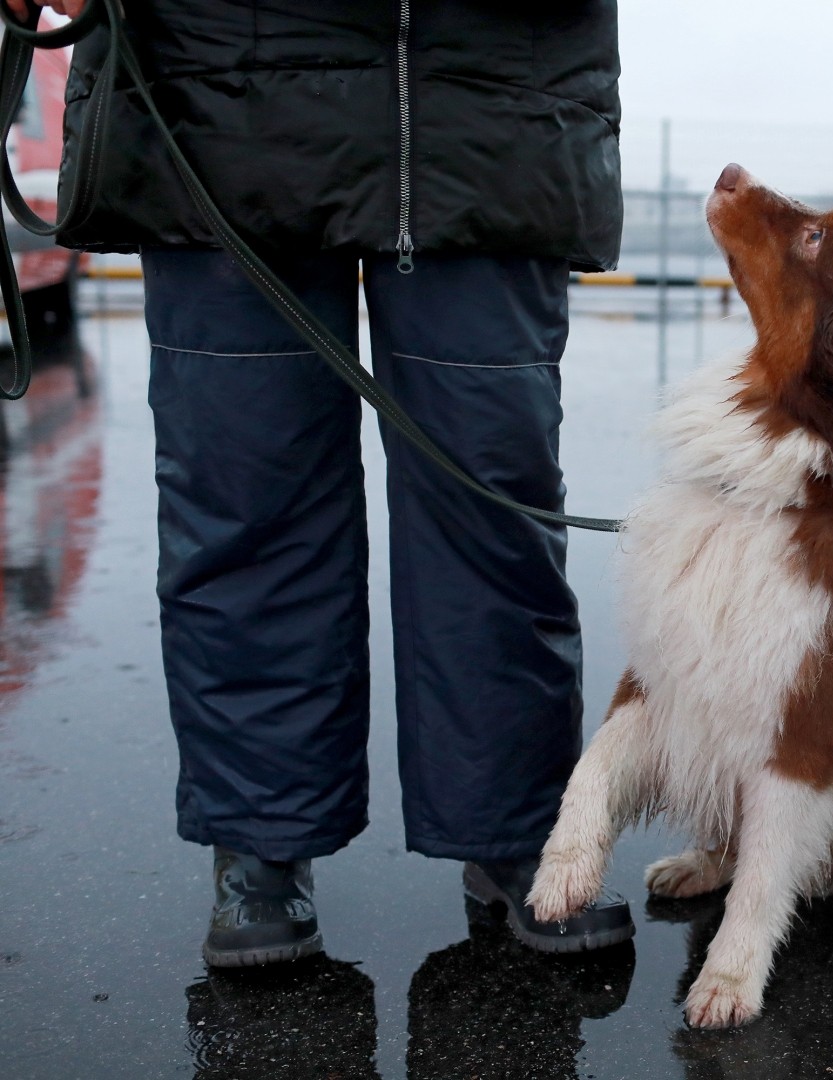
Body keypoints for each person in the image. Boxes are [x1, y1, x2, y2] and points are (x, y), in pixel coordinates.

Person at [15, 0, 634, 964]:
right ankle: (260, 835)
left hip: (487, 93)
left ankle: (515, 822)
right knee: (243, 499)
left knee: (493, 508)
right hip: (217, 84)